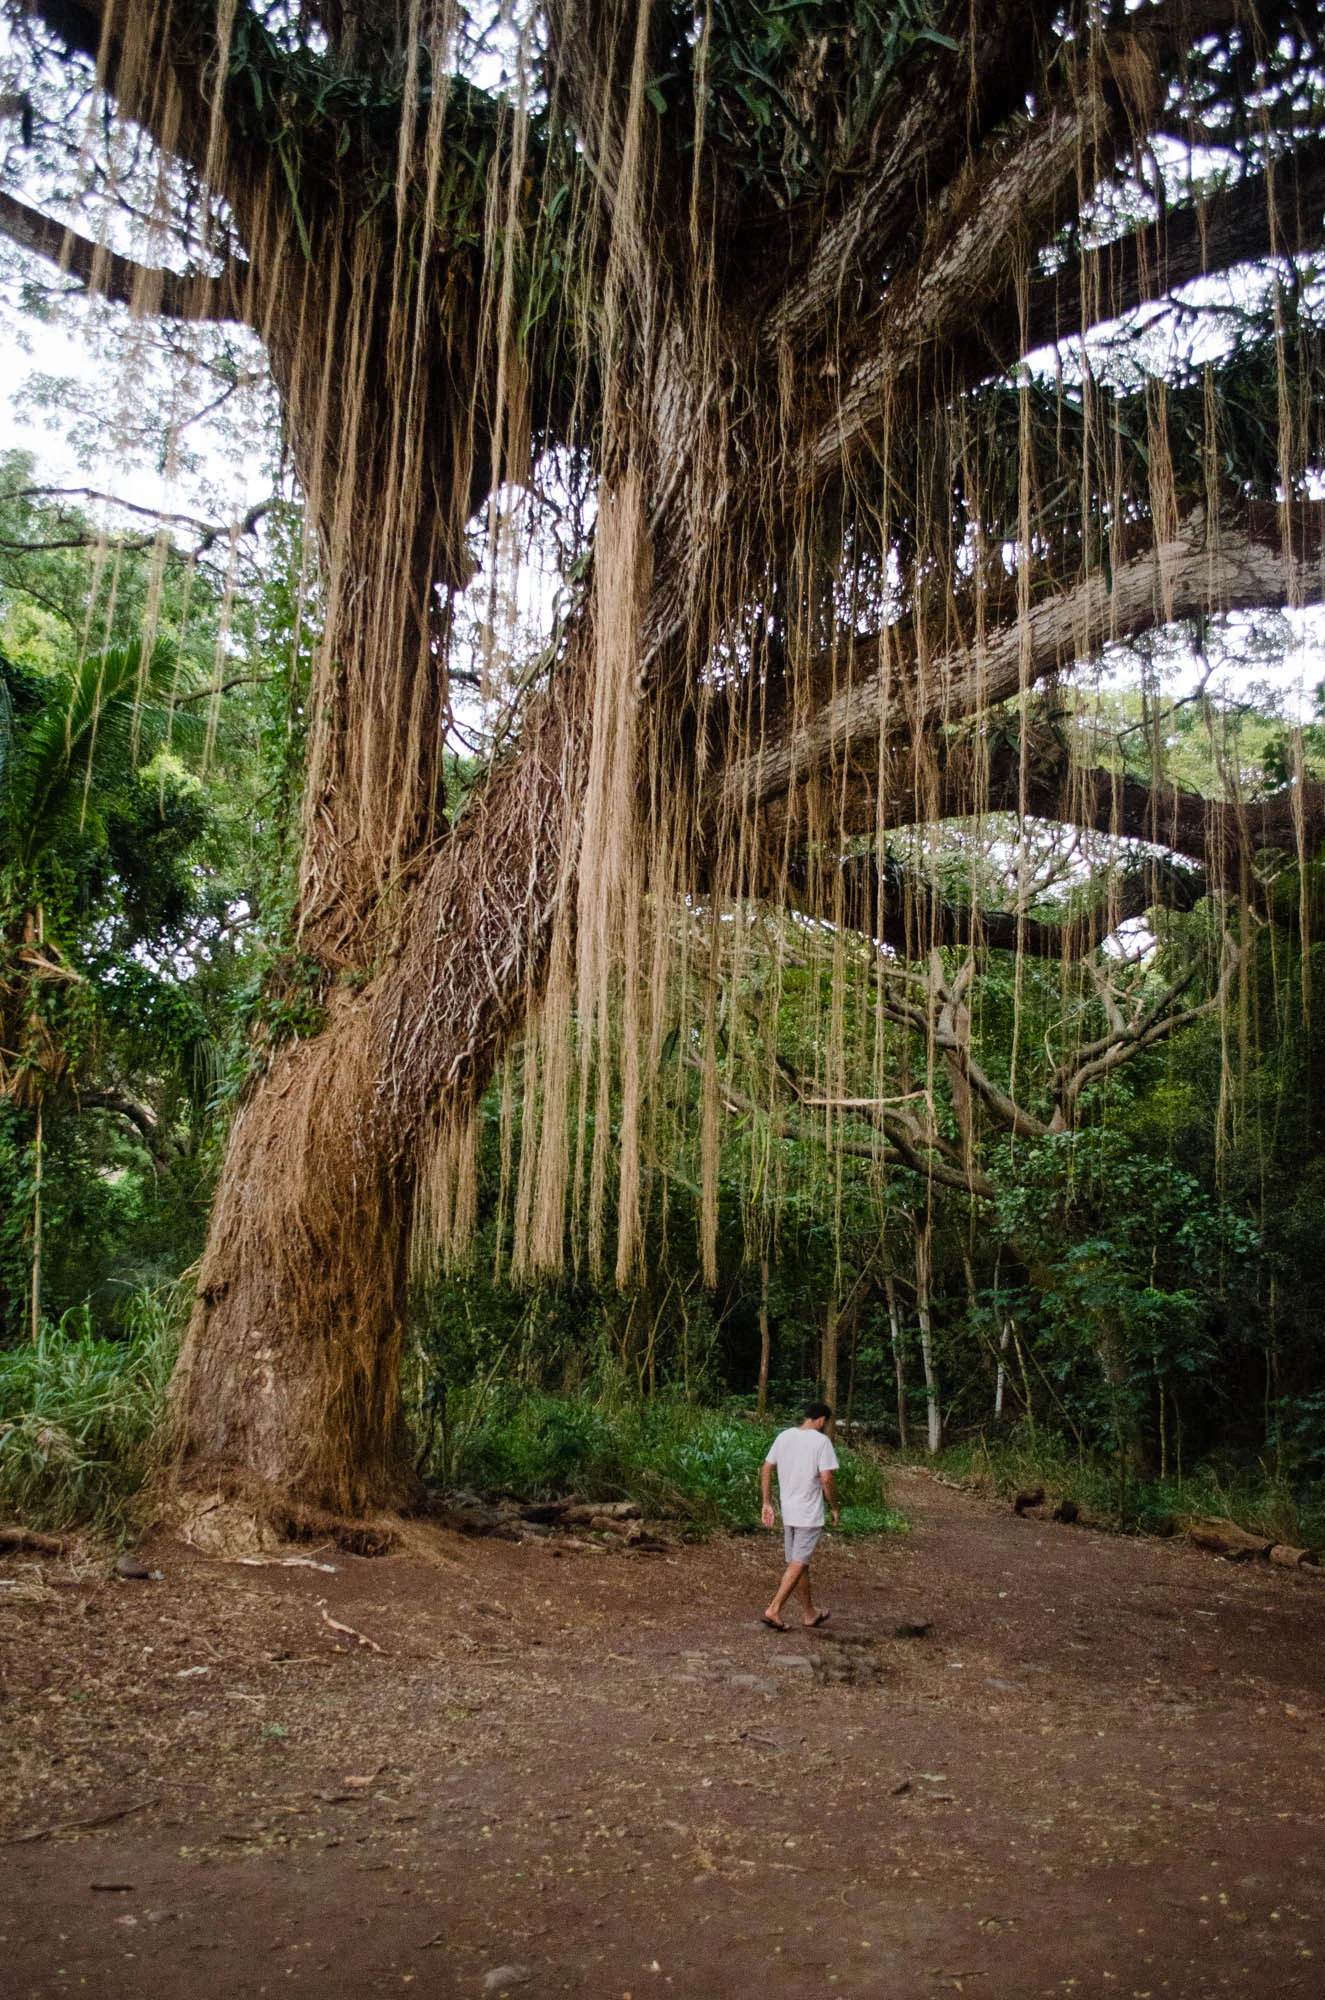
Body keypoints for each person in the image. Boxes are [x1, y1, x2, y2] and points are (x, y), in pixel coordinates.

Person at [759, 1401, 839, 1631]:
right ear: (822, 1420)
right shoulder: (821, 1442)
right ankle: (774, 1608)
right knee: (798, 1562)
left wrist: (767, 1502)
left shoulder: (784, 1437)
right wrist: (834, 1505)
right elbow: (826, 1478)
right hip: (809, 1514)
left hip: (789, 1511)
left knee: (798, 1562)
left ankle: (809, 1613)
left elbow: (766, 1468)